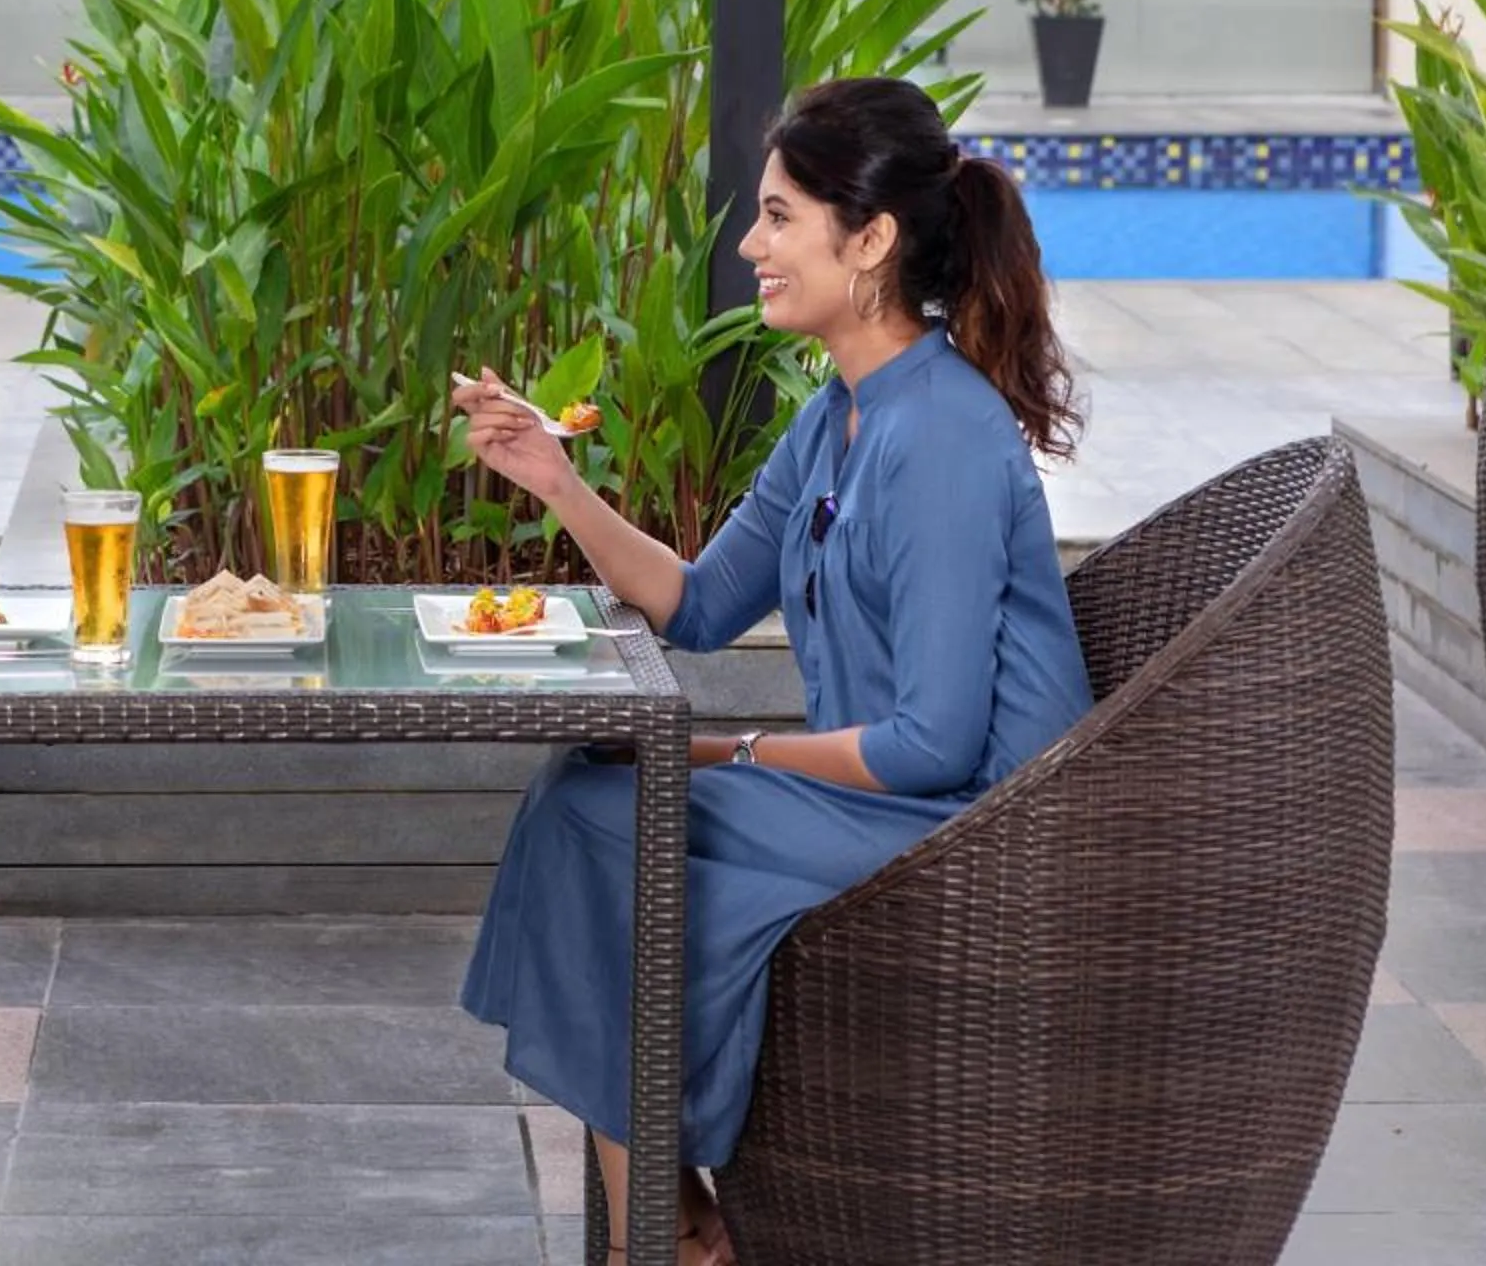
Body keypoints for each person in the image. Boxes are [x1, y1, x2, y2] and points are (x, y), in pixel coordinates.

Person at [452, 75, 1096, 1266]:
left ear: (872, 242)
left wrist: (721, 750)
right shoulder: (837, 417)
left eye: (778, 216)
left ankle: (671, 1234)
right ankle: (680, 1223)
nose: (750, 244)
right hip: (888, 798)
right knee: (587, 793)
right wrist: (555, 477)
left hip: (973, 832)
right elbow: (697, 604)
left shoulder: (943, 434)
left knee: (611, 819)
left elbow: (937, 745)